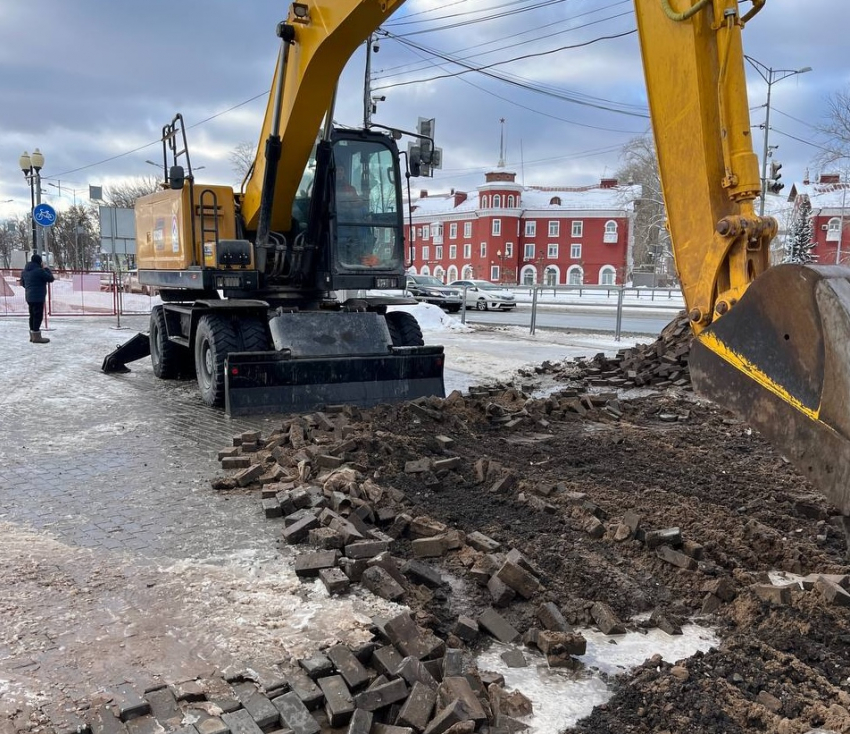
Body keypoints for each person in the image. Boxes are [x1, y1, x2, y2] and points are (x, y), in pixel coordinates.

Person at [20, 253, 54, 344]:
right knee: (38, 316)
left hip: (29, 297)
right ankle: (37, 337)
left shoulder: (24, 271)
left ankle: (32, 336)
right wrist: (47, 269)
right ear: (39, 262)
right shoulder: (39, 271)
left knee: (32, 315)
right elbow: (50, 278)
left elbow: (23, 284)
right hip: (38, 297)